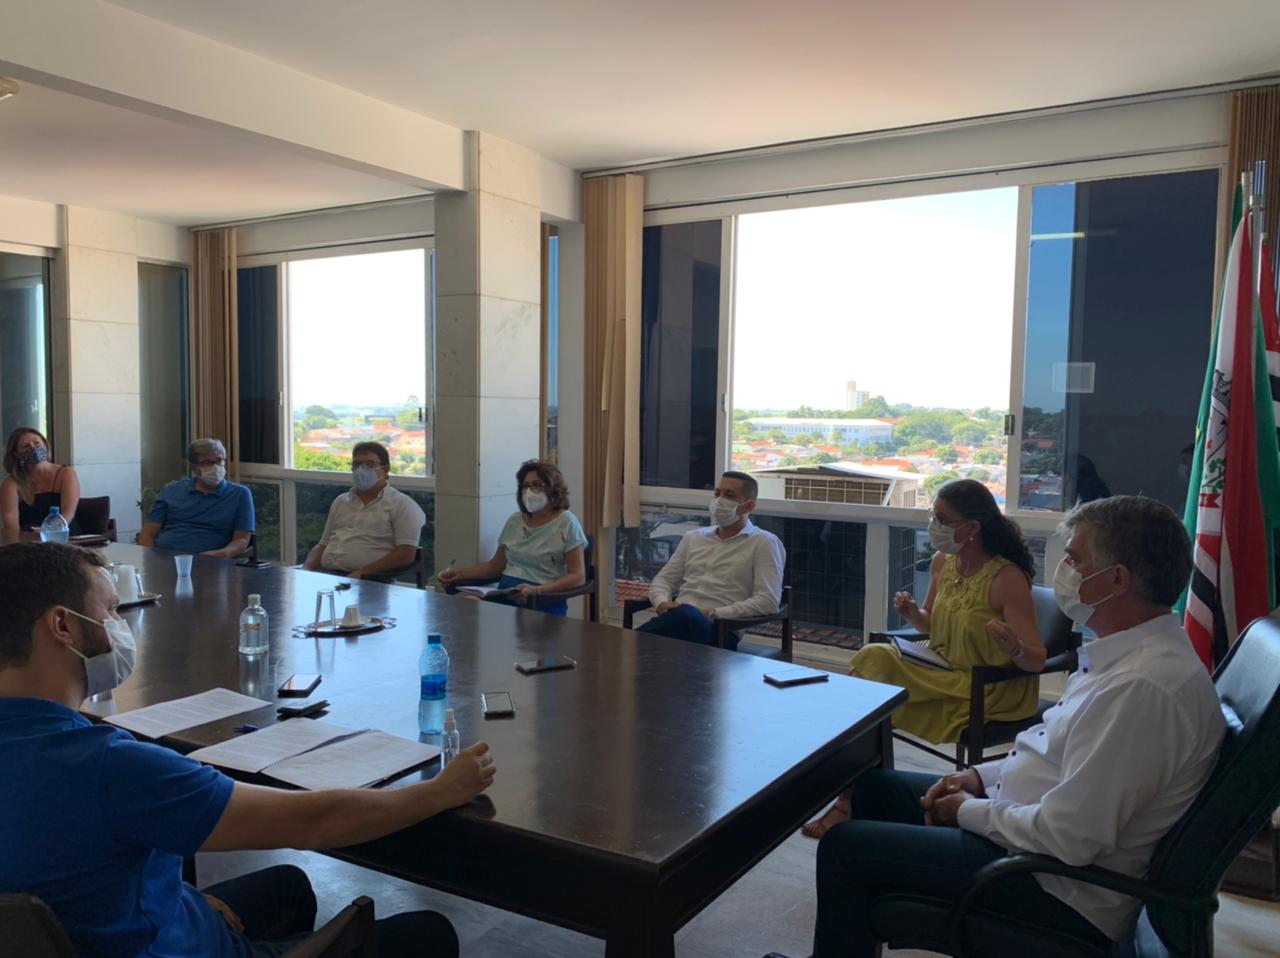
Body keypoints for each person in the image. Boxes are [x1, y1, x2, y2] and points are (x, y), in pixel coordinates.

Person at [778, 495, 1226, 958]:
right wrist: (977, 777)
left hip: (1052, 884)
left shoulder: (1143, 688)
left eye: (1075, 559)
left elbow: (1069, 838)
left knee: (847, 848)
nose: (1064, 571)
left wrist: (966, 811)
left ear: (1117, 580)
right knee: (876, 791)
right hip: (1024, 830)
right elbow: (1051, 748)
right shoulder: (1122, 657)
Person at [0, 541, 495, 958]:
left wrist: (181, 902)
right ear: (63, 626)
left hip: (96, 929)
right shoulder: (111, 767)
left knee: (288, 887)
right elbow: (313, 822)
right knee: (428, 934)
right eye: (110, 610)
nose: (118, 623)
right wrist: (440, 791)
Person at [803, 478, 1044, 838]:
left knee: (869, 692)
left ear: (972, 528)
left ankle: (849, 795)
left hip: (986, 687)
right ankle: (856, 789)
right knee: (873, 660)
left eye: (943, 519)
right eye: (934, 516)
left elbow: (1036, 659)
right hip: (941, 667)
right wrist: (914, 614)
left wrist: (1014, 648)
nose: (935, 526)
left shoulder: (1007, 578)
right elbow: (931, 625)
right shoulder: (943, 562)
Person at [637, 471, 785, 650]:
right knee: (680, 618)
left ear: (749, 506)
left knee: (684, 615)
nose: (720, 500)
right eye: (717, 494)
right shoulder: (694, 537)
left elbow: (768, 601)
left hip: (719, 632)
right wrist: (662, 603)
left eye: (729, 495)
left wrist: (712, 613)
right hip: (677, 621)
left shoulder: (764, 543)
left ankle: (625, 645)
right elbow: (664, 580)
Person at [436, 459, 587, 616]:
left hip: (542, 600)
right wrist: (458, 574)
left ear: (552, 488)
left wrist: (536, 590)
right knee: (466, 605)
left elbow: (578, 576)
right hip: (505, 598)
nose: (529, 491)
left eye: (536, 485)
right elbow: (495, 566)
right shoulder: (515, 521)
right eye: (525, 486)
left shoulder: (567, 522)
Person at [302, 442, 425, 580]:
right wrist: (305, 570)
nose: (361, 470)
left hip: (369, 580)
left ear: (385, 469)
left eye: (369, 464)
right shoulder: (341, 501)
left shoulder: (402, 504)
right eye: (356, 464)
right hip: (328, 577)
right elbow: (323, 544)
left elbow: (406, 554)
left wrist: (362, 573)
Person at [139, 438, 254, 559]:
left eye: (219, 461)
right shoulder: (171, 491)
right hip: (165, 559)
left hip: (211, 561)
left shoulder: (239, 494)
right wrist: (151, 559)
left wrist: (223, 554)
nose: (216, 467)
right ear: (194, 468)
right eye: (207, 463)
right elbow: (147, 534)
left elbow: (241, 539)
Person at [1, 427, 82, 534]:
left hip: (63, 533)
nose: (33, 448)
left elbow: (68, 513)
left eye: (37, 443)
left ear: (45, 445)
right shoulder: (11, 484)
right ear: (17, 454)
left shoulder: (66, 474)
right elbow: (11, 524)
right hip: (27, 538)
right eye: (26, 446)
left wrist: (49, 530)